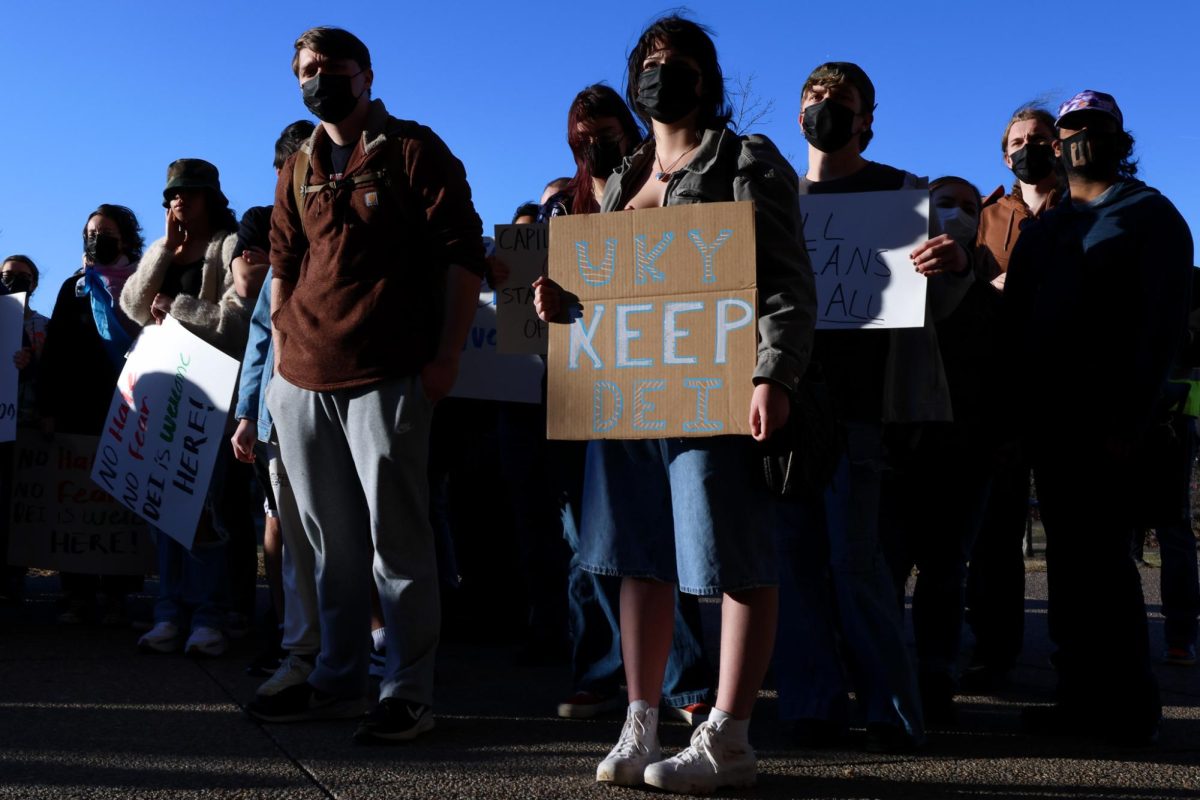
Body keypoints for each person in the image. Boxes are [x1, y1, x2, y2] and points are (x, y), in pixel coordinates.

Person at [537, 16, 815, 793]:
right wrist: (563, 303)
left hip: (710, 386)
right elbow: (612, 293)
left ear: (708, 78)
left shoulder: (744, 159)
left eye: (682, 63)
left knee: (731, 556)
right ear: (636, 79)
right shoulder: (620, 178)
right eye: (654, 62)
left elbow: (788, 279)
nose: (667, 74)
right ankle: (642, 715)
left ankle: (728, 731)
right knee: (637, 559)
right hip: (628, 396)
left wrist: (775, 374)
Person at [249, 27, 486, 746]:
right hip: (302, 378)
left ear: (366, 73)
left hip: (389, 375)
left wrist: (445, 359)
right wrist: (285, 342)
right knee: (327, 545)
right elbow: (282, 262)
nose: (319, 79)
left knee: (398, 541)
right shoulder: (296, 166)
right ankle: (335, 680)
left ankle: (408, 691)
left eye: (331, 67)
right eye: (306, 71)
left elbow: (462, 253)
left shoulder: (414, 148)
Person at [774, 61, 972, 752]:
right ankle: (811, 703)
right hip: (785, 408)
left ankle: (892, 710)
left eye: (842, 101)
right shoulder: (775, 199)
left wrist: (952, 266)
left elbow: (939, 303)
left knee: (858, 568)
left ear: (865, 120)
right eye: (815, 98)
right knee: (793, 566)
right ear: (800, 115)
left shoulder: (900, 191)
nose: (826, 107)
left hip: (863, 410)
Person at [1006, 90, 1193, 745]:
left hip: (1114, 431)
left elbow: (1162, 329)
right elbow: (1017, 324)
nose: (1080, 135)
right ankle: (1078, 700)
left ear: (1120, 138)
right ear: (1056, 142)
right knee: (1069, 572)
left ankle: (1130, 711)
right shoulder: (1044, 230)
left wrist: (1132, 422)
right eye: (1070, 126)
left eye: (1095, 126)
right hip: (1049, 429)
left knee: (1110, 573)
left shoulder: (1151, 216)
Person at [534, 84, 714, 724]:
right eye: (581, 138)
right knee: (589, 544)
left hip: (655, 380)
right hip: (587, 387)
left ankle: (687, 681)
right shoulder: (572, 208)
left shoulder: (656, 184)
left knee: (658, 544)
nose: (594, 145)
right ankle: (600, 671)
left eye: (604, 130)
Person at [120, 158, 251, 657]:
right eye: (173, 195)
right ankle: (168, 611)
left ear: (211, 197)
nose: (180, 202)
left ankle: (208, 615)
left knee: (205, 509)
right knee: (163, 506)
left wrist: (177, 306)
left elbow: (237, 323)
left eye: (190, 194)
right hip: (164, 395)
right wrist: (164, 253)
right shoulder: (164, 249)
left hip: (210, 397)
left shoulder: (229, 246)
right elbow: (133, 306)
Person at [879, 176, 993, 722]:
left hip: (964, 451)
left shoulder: (990, 282)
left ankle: (937, 672)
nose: (958, 214)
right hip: (901, 444)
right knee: (889, 564)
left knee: (947, 569)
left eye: (969, 207)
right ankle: (886, 672)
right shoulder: (894, 273)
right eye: (944, 203)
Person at [963, 106, 1065, 687]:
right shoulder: (987, 214)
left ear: (1058, 146)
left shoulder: (1080, 207)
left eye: (1040, 138)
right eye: (1019, 141)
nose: (1029, 147)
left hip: (1061, 390)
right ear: (1006, 154)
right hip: (996, 393)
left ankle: (1076, 656)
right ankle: (992, 649)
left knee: (1074, 531)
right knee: (996, 531)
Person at [230, 120, 320, 691]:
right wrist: (247, 415)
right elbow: (260, 339)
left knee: (341, 537)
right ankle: (298, 647)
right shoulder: (282, 256)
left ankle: (361, 645)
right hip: (276, 420)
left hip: (335, 410)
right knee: (290, 539)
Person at [37, 208, 145, 624]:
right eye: (91, 232)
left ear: (126, 236)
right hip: (79, 411)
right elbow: (56, 352)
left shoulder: (143, 282)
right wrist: (49, 408)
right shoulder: (75, 288)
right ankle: (77, 593)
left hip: (131, 409)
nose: (97, 238)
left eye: (106, 232)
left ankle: (119, 593)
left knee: (121, 502)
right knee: (78, 502)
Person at [2, 255, 48, 603]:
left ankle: (14, 577)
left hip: (29, 423)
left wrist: (32, 365)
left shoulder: (45, 327)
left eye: (22, 276)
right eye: (6, 275)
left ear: (34, 282)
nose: (13, 281)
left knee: (19, 507)